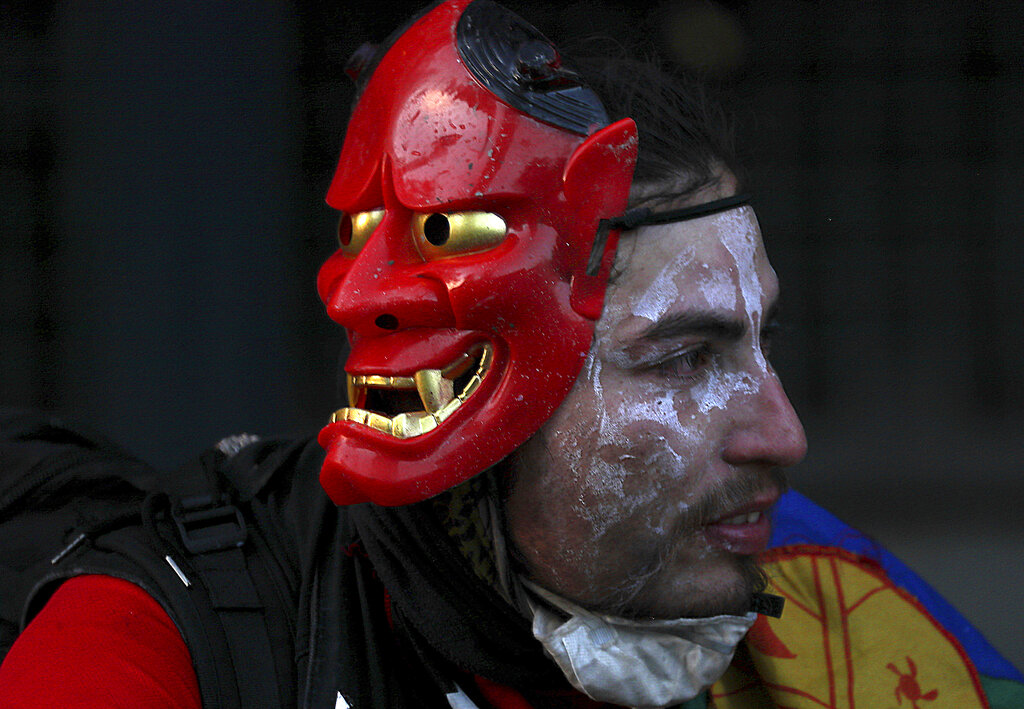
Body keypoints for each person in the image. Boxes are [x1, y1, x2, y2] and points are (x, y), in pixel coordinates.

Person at [1, 1, 1021, 707]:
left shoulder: (828, 603)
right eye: (680, 358)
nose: (782, 433)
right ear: (468, 408)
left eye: (762, 340)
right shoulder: (151, 649)